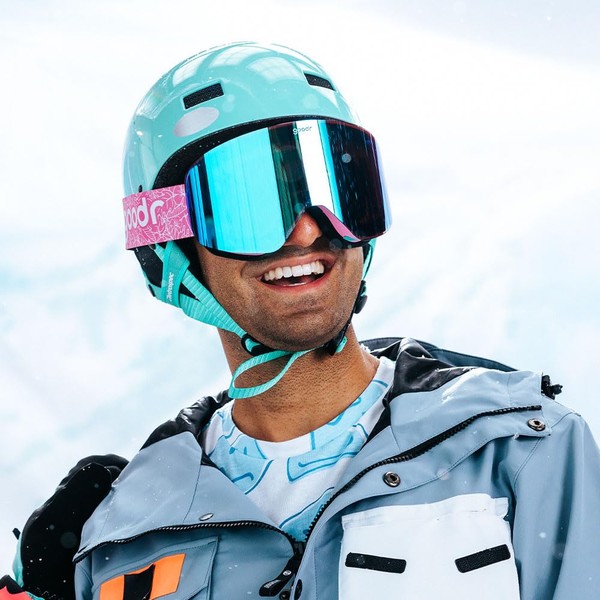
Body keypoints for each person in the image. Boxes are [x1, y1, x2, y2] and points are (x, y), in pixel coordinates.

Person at [2, 41, 599, 600]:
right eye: (250, 203)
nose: (309, 230)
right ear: (171, 250)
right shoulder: (121, 536)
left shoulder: (517, 452)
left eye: (341, 190)